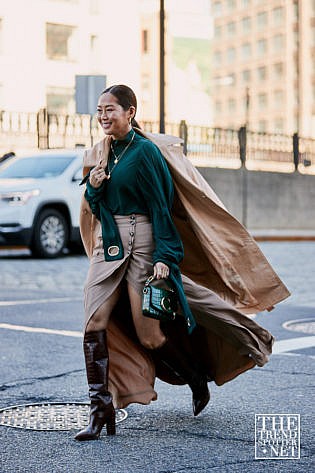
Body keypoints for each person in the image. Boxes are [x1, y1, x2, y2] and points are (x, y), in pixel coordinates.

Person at [75, 84, 289, 441]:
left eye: (110, 109)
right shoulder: (102, 153)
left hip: (143, 242)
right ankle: (100, 411)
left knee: (150, 334)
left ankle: (194, 375)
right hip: (108, 246)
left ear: (130, 112)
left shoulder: (145, 153)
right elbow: (99, 207)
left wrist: (164, 258)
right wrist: (95, 187)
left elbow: (162, 209)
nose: (103, 117)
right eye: (99, 111)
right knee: (93, 321)